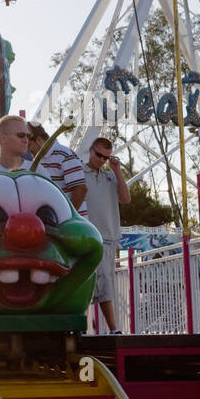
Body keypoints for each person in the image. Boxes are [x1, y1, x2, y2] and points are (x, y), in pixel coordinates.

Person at [83, 136, 130, 334]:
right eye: (98, 155)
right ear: (91, 150)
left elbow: (126, 199)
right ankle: (111, 328)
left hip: (109, 238)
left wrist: (117, 171)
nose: (101, 160)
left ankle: (108, 329)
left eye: (106, 157)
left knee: (104, 282)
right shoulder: (79, 173)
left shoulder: (110, 177)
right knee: (90, 282)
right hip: (88, 236)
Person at [27, 123, 88, 217]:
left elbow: (80, 189)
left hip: (71, 224)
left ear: (39, 140)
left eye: (29, 145)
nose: (27, 150)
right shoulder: (36, 161)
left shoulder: (64, 154)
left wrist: (68, 217)